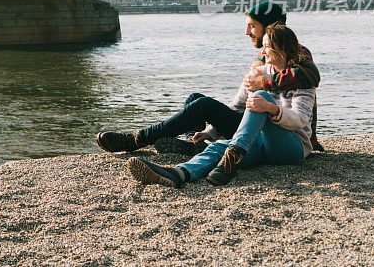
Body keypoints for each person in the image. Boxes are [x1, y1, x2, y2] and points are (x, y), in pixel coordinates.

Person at [96, 1, 322, 156]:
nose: (247, 33)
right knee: (196, 98)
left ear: (271, 27)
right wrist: (210, 131)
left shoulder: (295, 52)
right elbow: (238, 103)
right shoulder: (261, 56)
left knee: (204, 105)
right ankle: (193, 141)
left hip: (274, 129)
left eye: (252, 26)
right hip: (253, 118)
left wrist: (263, 82)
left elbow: (311, 76)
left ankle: (138, 139)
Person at [126, 24, 316, 187]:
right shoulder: (256, 73)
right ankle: (177, 174)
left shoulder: (301, 79)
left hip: (292, 147)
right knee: (217, 148)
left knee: (260, 97)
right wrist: (211, 132)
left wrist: (272, 108)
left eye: (267, 47)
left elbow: (300, 121)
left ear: (281, 49)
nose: (262, 51)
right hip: (260, 143)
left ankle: (233, 155)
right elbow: (236, 107)